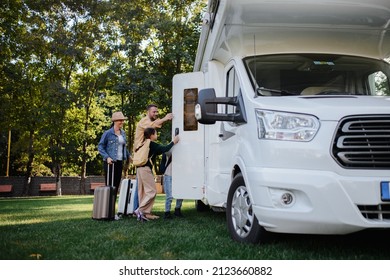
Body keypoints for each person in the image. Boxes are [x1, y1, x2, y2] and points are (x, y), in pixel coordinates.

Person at [133, 104, 173, 211]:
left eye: (157, 112)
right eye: (154, 112)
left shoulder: (150, 140)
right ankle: (138, 210)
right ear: (148, 112)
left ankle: (140, 211)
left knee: (141, 189)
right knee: (144, 189)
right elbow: (153, 125)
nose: (156, 113)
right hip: (142, 158)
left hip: (143, 159)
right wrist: (165, 118)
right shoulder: (144, 121)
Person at [134, 127, 179, 222]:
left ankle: (146, 213)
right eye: (156, 133)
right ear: (151, 135)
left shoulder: (142, 143)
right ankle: (140, 210)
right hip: (145, 169)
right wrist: (174, 142)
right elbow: (165, 148)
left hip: (138, 169)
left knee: (143, 192)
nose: (157, 135)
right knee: (152, 191)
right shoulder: (152, 144)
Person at [98, 111, 130, 218]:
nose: (122, 122)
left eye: (122, 120)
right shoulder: (108, 133)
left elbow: (124, 148)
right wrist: (107, 157)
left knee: (116, 187)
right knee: (109, 187)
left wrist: (130, 157)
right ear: (115, 121)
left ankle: (112, 212)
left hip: (120, 162)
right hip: (110, 163)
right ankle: (106, 212)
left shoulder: (123, 133)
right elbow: (100, 147)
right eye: (120, 120)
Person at [161, 151, 184, 219]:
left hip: (179, 175)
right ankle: (167, 213)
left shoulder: (183, 153)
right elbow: (166, 151)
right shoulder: (170, 151)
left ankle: (177, 210)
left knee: (181, 194)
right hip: (169, 175)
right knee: (169, 195)